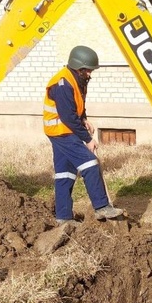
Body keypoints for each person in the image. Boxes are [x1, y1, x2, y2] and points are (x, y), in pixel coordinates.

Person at [43, 45, 123, 224]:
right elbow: (68, 117)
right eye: (88, 71)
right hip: (62, 132)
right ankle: (102, 207)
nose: (90, 74)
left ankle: (63, 218)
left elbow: (77, 106)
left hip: (62, 131)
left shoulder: (76, 80)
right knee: (91, 163)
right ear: (78, 67)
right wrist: (87, 139)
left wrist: (84, 118)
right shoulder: (62, 84)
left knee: (65, 173)